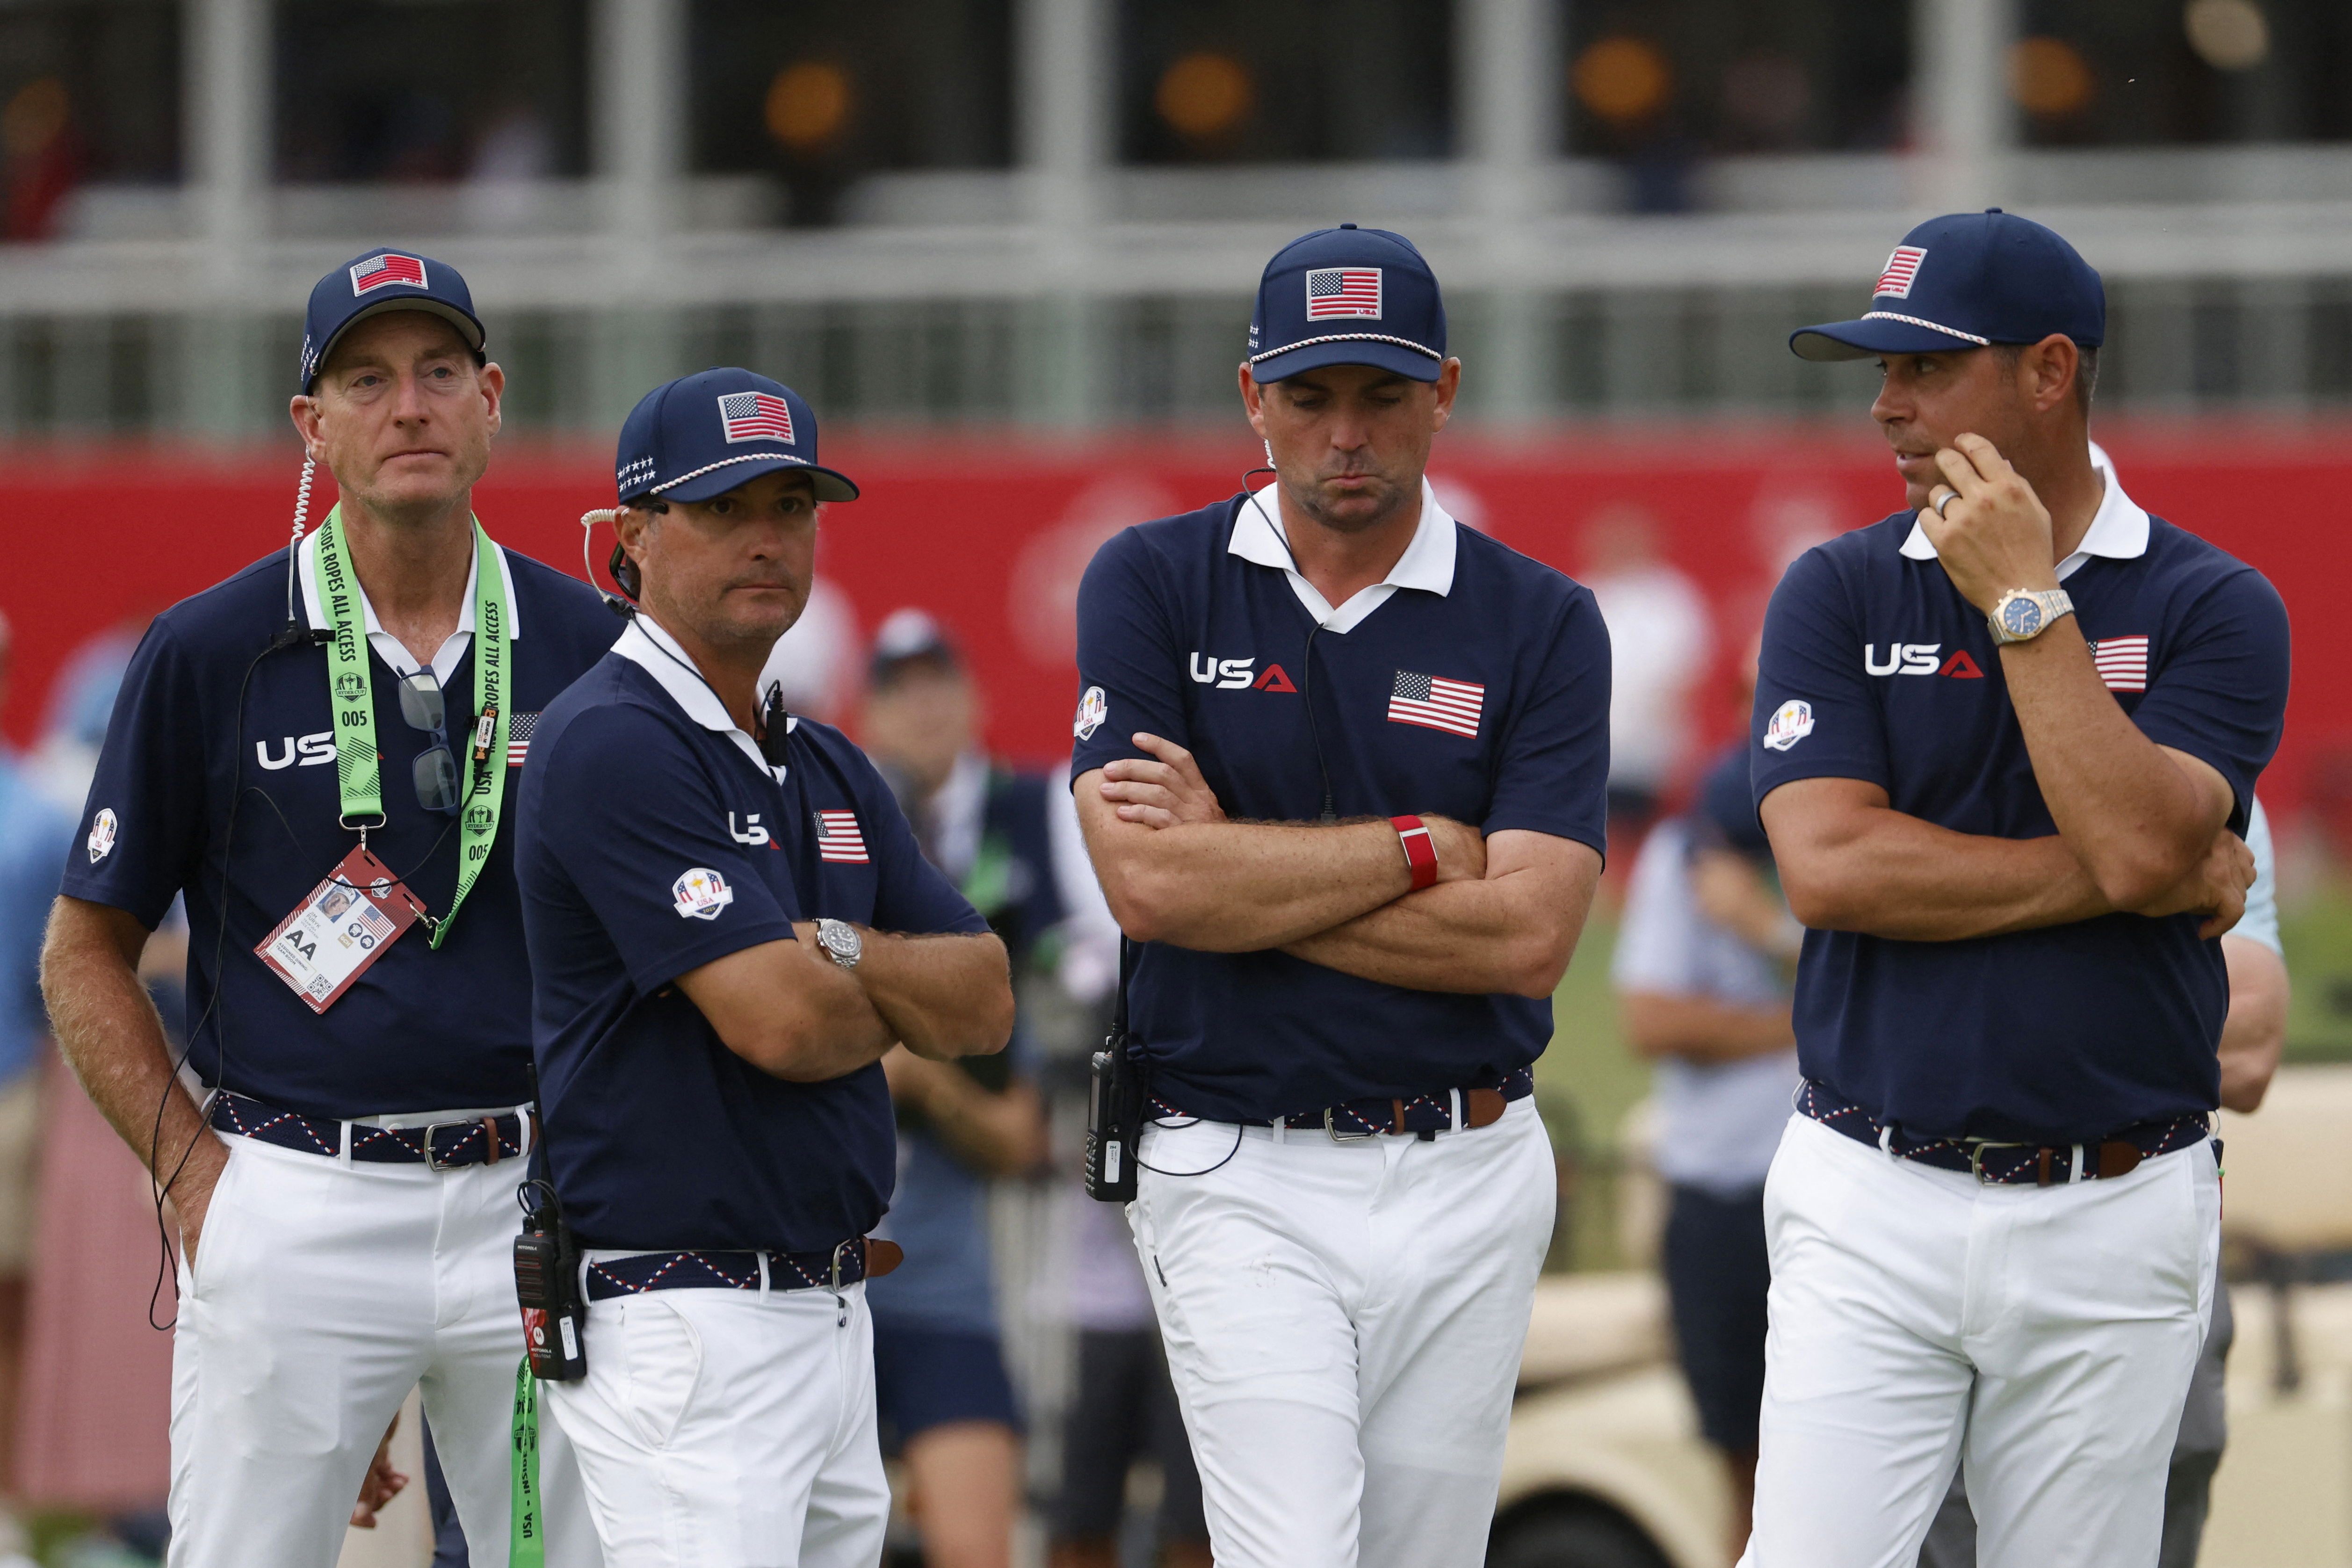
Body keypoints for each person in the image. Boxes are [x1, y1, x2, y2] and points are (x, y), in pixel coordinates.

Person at [38, 248, 615, 1567]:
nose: (408, 406)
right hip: (293, 1192)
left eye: (439, 372)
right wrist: (200, 1186)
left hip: (540, 1198)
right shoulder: (209, 648)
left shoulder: (589, 644)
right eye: (366, 381)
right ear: (312, 423)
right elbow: (84, 952)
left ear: (491, 401)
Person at [1745, 209, 2290, 1568]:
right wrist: (2130, 875)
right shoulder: (1833, 588)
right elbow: (1830, 867)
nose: (1886, 405)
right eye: (1881, 371)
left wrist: (2024, 601)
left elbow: (2140, 845)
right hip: (1866, 1189)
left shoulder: (2214, 602)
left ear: (2048, 372)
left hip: (2118, 1199)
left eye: (1926, 368)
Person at [1069, 223, 1611, 1568]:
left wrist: (1239, 869)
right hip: (1229, 1159)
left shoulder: (1542, 619)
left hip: (1470, 1166)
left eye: (1382, 393)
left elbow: (1528, 937)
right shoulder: (1150, 579)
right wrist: (1422, 847)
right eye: (1308, 396)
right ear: (1251, 398)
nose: (1345, 434)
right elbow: (1149, 883)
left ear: (1445, 393)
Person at [514, 368, 1015, 1565]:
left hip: (827, 1308)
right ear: (634, 534)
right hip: (685, 1315)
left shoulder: (824, 760)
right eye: (723, 507)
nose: (766, 537)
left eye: (790, 506)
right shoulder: (613, 737)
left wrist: (838, 945)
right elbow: (782, 1025)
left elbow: (988, 1001)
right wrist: (893, 992)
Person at [1917, 795, 2292, 1568]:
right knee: (1940, 1524)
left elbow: (2249, 1049)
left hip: (2139, 1217)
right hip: (1927, 1219)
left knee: (2157, 1502)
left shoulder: (2195, 781)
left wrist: (1993, 940)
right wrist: (2136, 887)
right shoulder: (1929, 769)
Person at [854, 607, 1052, 1568]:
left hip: (941, 1295)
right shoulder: (794, 955)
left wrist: (928, 1086)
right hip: (811, 1298)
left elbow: (1022, 1140)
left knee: (976, 1547)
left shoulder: (967, 966)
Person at [1611, 738, 1799, 1567]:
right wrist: (1815, 1020)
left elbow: (1906, 1004)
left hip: (1834, 1196)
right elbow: (1652, 1020)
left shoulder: (1861, 837)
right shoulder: (1684, 850)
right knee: (1746, 1476)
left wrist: (1769, 930)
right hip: (1719, 1196)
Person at [1580, 506, 1711, 840]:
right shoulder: (1585, 592)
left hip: (1649, 749)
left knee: (1644, 837)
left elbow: (1685, 675)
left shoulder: (1671, 598)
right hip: (1592, 743)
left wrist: (1674, 746)